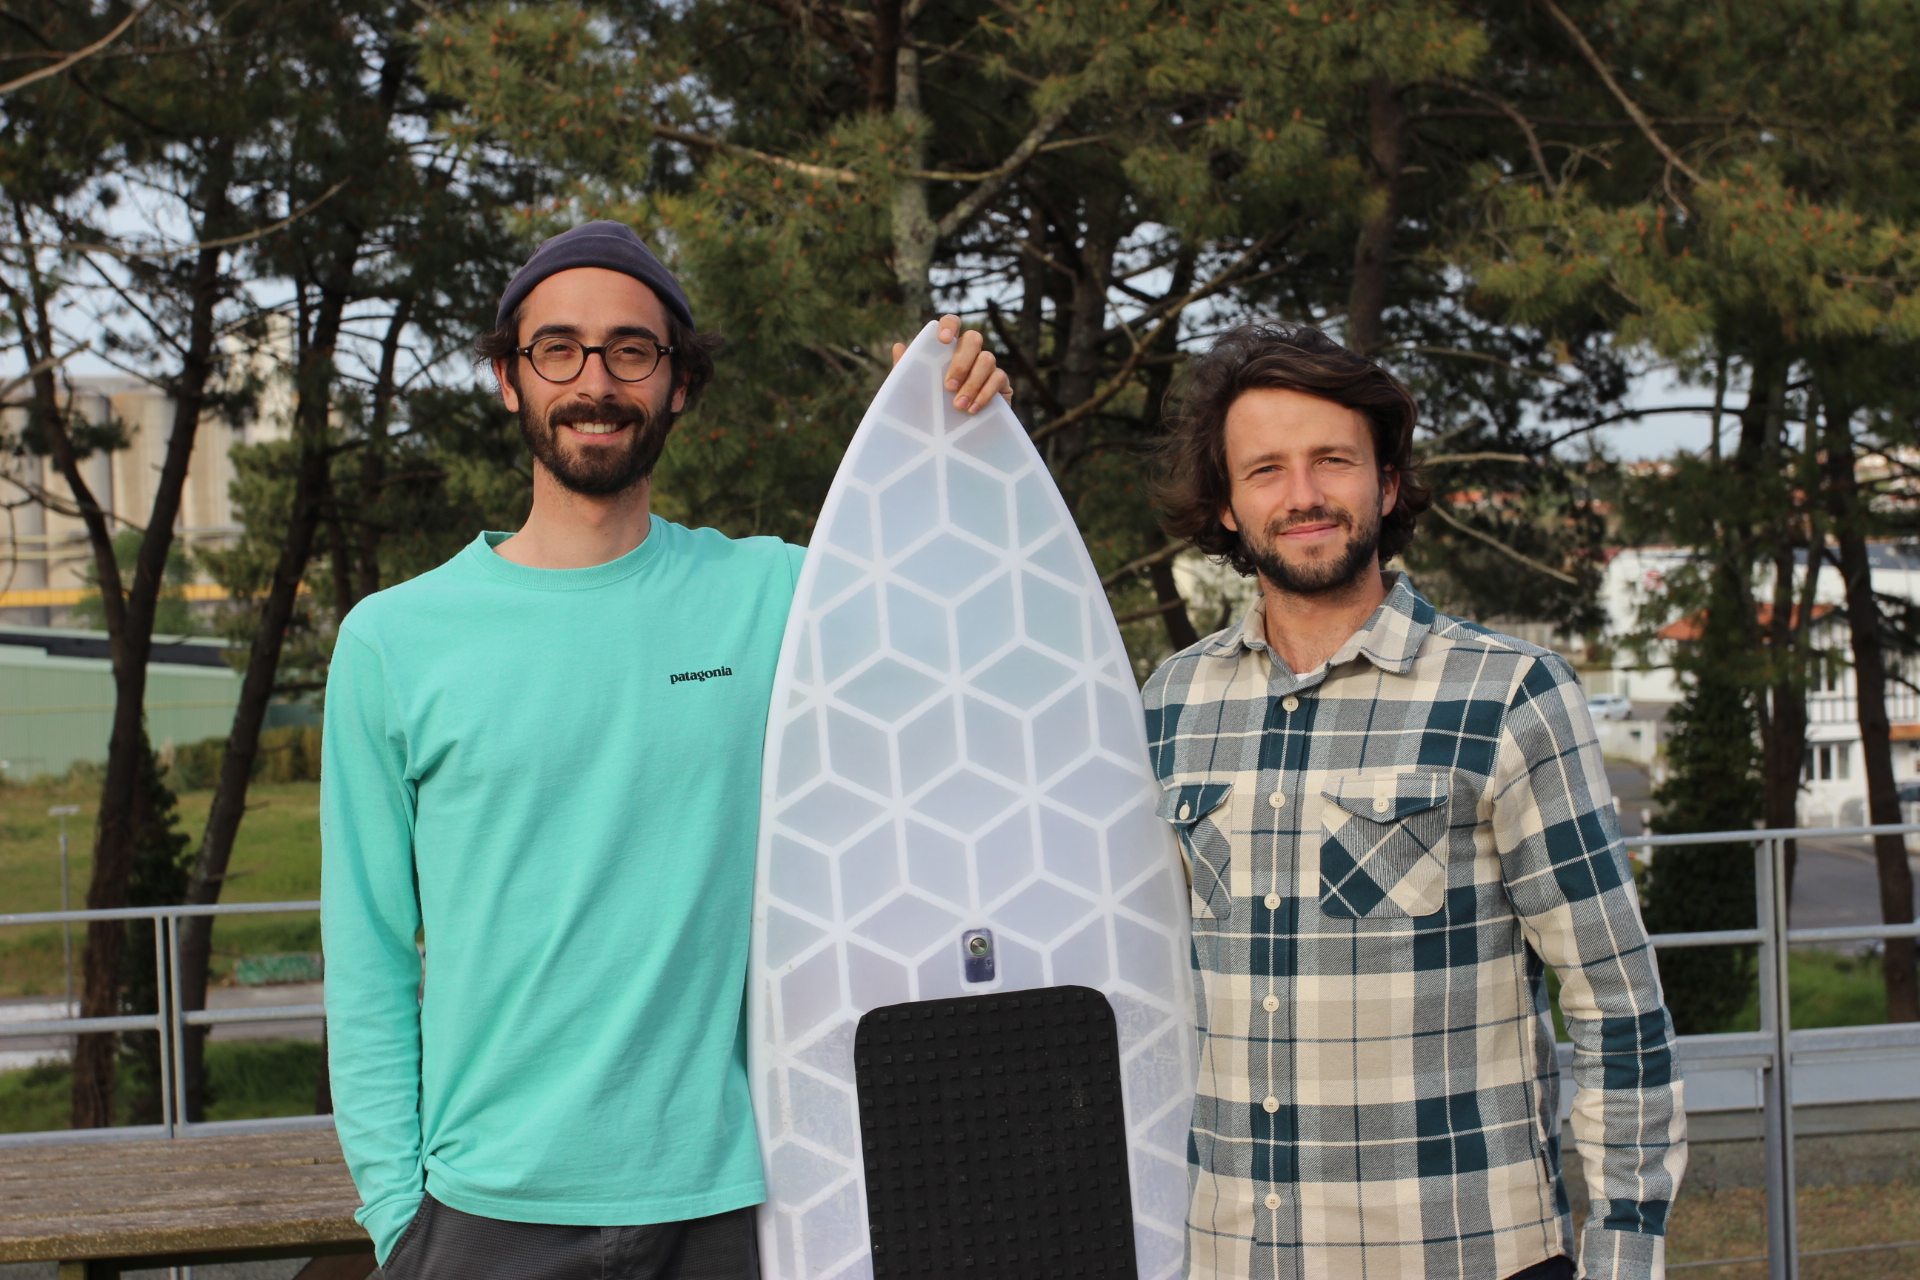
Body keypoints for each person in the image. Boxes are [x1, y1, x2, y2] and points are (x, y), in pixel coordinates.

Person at [321, 221, 1009, 1280]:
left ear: (679, 384)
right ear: (509, 379)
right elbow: (366, 952)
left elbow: (965, 623)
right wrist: (398, 1214)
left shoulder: (777, 595)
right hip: (483, 1211)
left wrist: (958, 425)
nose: (595, 380)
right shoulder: (394, 640)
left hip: (737, 1202)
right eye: (559, 349)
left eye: (631, 351)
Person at [1142, 324, 1686, 1280]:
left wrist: (1624, 1258)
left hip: (1466, 1255)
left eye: (1332, 461)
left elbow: (1616, 1005)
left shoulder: (1512, 693)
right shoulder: (1169, 706)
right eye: (1265, 469)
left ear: (1386, 484)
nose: (1302, 494)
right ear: (1226, 506)